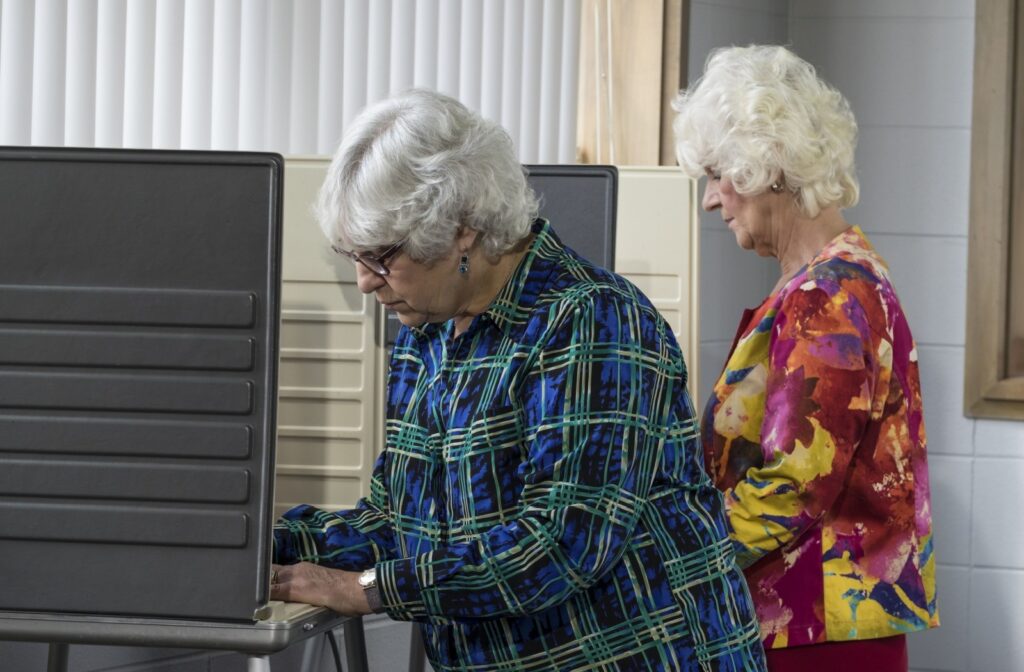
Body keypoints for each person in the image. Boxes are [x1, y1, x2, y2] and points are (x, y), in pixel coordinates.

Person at [270, 88, 766, 671]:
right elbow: (399, 521)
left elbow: (562, 545)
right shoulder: (425, 338)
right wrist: (261, 545)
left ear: (461, 229)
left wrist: (368, 589)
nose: (364, 282)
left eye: (381, 256)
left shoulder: (590, 320)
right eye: (351, 255)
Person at [672, 45, 940, 671]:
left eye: (718, 175)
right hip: (812, 624)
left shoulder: (831, 294)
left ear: (763, 167)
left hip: (815, 633)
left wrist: (671, 557)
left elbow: (794, 486)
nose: (712, 201)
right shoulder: (827, 284)